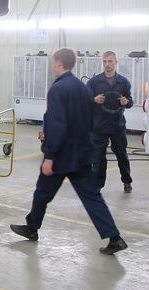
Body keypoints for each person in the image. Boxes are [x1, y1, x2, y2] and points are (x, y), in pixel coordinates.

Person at [10, 48, 127, 255]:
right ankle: (114, 237)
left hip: (62, 156)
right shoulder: (83, 89)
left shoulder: (58, 89)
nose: (53, 66)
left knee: (42, 192)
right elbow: (91, 120)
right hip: (82, 155)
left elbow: (56, 125)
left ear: (59, 63)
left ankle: (32, 228)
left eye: (54, 63)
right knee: (92, 197)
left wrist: (50, 156)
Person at [87, 50, 133, 193]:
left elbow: (130, 101)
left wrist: (126, 102)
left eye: (110, 61)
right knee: (98, 158)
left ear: (116, 62)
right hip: (99, 125)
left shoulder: (123, 82)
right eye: (105, 61)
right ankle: (97, 186)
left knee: (121, 154)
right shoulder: (94, 82)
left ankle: (126, 181)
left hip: (117, 125)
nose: (107, 64)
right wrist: (93, 99)